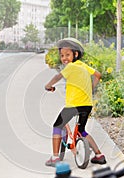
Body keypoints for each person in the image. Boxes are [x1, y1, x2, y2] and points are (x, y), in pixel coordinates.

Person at [44, 37, 106, 167]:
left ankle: (55, 158)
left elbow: (58, 76)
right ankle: (99, 155)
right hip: (87, 105)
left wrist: (48, 85)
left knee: (57, 125)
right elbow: (98, 75)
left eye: (67, 54)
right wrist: (91, 88)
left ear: (75, 54)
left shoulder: (70, 67)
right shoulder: (83, 66)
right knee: (82, 131)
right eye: (62, 55)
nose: (64, 58)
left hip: (74, 105)